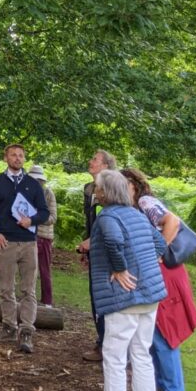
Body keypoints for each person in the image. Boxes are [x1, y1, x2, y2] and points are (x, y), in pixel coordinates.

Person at [88, 168, 166, 391]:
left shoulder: (107, 217)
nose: (94, 191)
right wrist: (143, 264)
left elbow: (112, 240)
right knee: (142, 356)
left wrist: (121, 268)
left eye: (97, 187)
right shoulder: (137, 215)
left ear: (106, 192)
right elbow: (160, 245)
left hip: (125, 298)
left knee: (115, 359)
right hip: (150, 296)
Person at [121, 168, 196, 391]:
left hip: (165, 273)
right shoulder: (133, 207)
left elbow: (172, 221)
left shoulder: (145, 202)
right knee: (154, 332)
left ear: (135, 185)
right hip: (157, 274)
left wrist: (158, 251)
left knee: (164, 331)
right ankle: (162, 387)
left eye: (124, 183)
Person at [0, 143, 49, 354]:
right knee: (6, 288)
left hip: (29, 243)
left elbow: (44, 212)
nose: (17, 158)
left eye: (21, 155)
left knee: (29, 289)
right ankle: (9, 327)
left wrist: (32, 220)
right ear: (6, 158)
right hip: (6, 242)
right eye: (13, 155)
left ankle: (27, 331)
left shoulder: (33, 185)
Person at [78, 149, 118, 361]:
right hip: (94, 250)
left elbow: (115, 222)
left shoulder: (114, 188)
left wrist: (94, 242)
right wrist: (87, 248)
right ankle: (101, 342)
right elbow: (91, 223)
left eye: (95, 159)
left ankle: (109, 345)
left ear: (106, 166)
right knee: (96, 297)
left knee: (109, 297)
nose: (90, 161)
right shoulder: (88, 189)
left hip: (111, 253)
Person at [28, 164, 57, 307]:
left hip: (44, 237)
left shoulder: (48, 194)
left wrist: (36, 218)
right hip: (27, 236)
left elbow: (52, 218)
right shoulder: (24, 192)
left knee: (44, 270)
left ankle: (47, 301)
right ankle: (29, 298)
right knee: (28, 270)